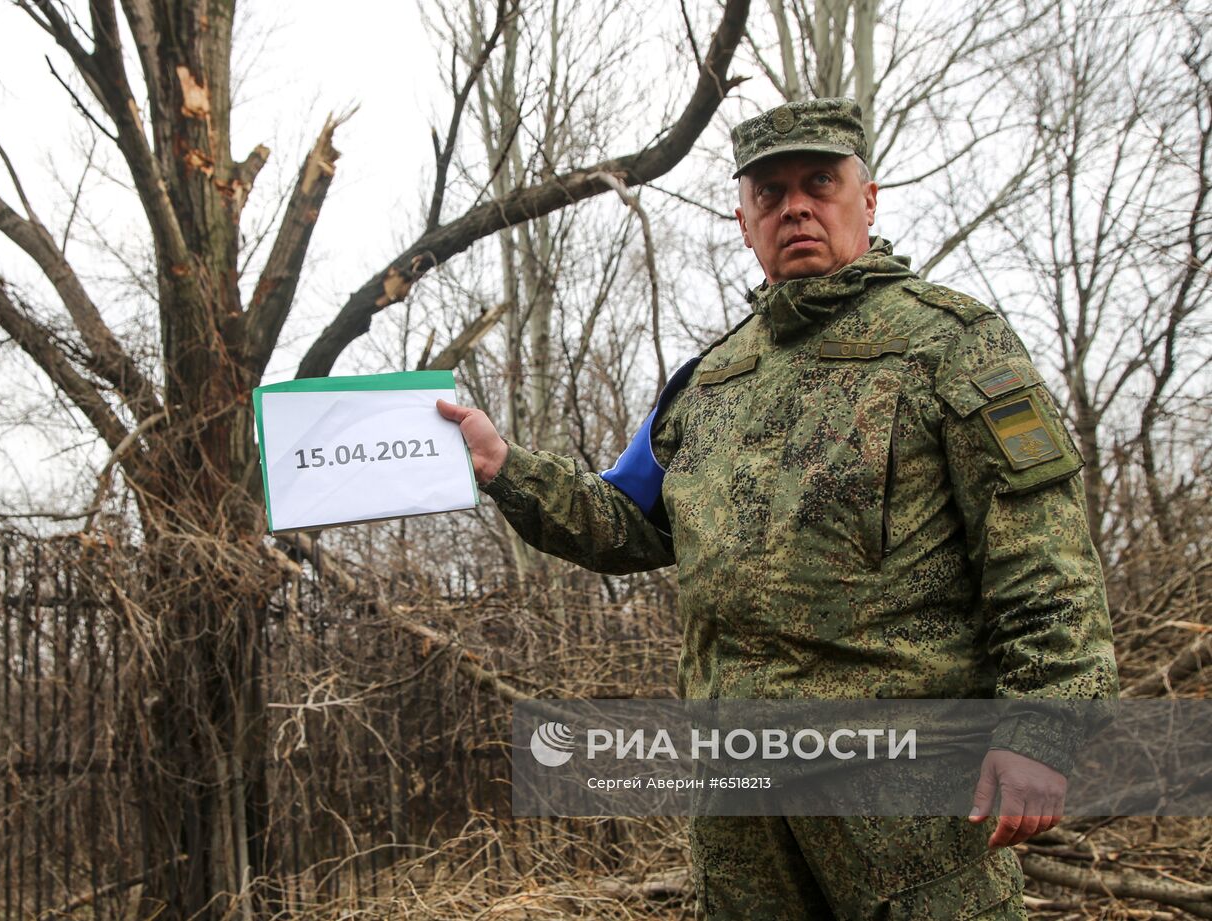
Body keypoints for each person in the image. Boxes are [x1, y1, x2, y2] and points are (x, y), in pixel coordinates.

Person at [437, 97, 1118, 919]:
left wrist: (1042, 729)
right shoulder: (710, 382)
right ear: (742, 217)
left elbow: (1042, 558)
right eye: (769, 192)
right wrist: (503, 463)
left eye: (819, 182)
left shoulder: (951, 343)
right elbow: (627, 524)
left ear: (867, 199)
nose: (794, 205)